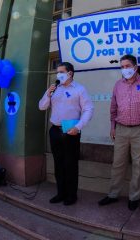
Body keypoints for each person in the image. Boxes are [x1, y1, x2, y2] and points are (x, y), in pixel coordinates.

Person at [98, 54, 140, 211]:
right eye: (122, 67)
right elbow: (113, 107)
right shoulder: (118, 85)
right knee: (118, 163)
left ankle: (134, 196)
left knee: (139, 164)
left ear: (135, 67)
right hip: (121, 128)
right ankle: (113, 194)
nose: (125, 69)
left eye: (127, 66)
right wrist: (112, 126)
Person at [39, 62, 94, 206]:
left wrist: (78, 126)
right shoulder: (54, 88)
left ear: (70, 73)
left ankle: (71, 195)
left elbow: (88, 109)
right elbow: (42, 106)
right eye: (57, 72)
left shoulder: (79, 89)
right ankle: (60, 193)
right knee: (58, 163)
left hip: (71, 131)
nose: (58, 75)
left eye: (61, 72)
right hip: (55, 130)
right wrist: (48, 94)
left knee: (70, 164)